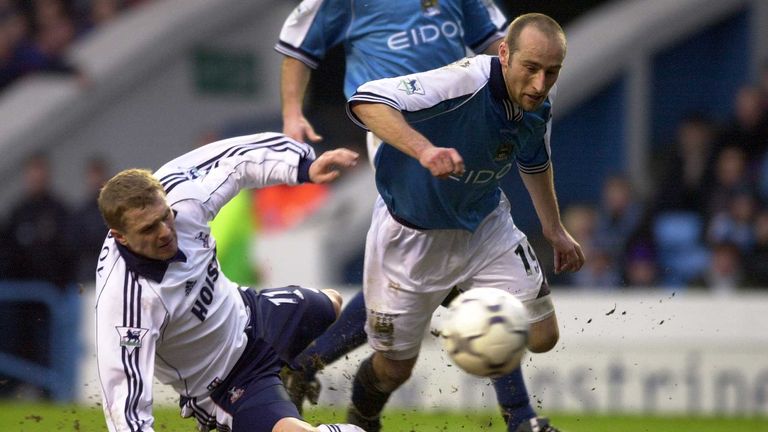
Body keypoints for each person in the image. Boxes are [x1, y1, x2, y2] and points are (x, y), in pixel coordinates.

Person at [275, 2, 550, 429]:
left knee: (456, 261)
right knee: (436, 250)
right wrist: (293, 114)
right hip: (398, 123)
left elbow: (502, 44)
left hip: (462, 118)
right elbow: (298, 44)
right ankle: (520, 416)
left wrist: (521, 91)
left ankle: (520, 418)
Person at [344, 13, 584, 432]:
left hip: (483, 222)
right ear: (504, 54)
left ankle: (520, 421)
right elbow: (366, 100)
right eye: (531, 69)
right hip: (410, 232)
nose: (540, 84)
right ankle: (361, 416)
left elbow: (534, 159)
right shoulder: (463, 83)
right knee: (392, 370)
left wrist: (553, 228)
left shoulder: (539, 100)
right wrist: (424, 150)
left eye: (552, 72)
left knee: (543, 335)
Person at [94, 132, 365, 432]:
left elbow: (236, 162)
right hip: (229, 380)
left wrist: (300, 166)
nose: (165, 232)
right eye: (148, 229)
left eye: (165, 216)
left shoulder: (185, 198)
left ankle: (294, 376)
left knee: (331, 304)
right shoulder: (127, 302)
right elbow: (126, 411)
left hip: (253, 313)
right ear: (120, 236)